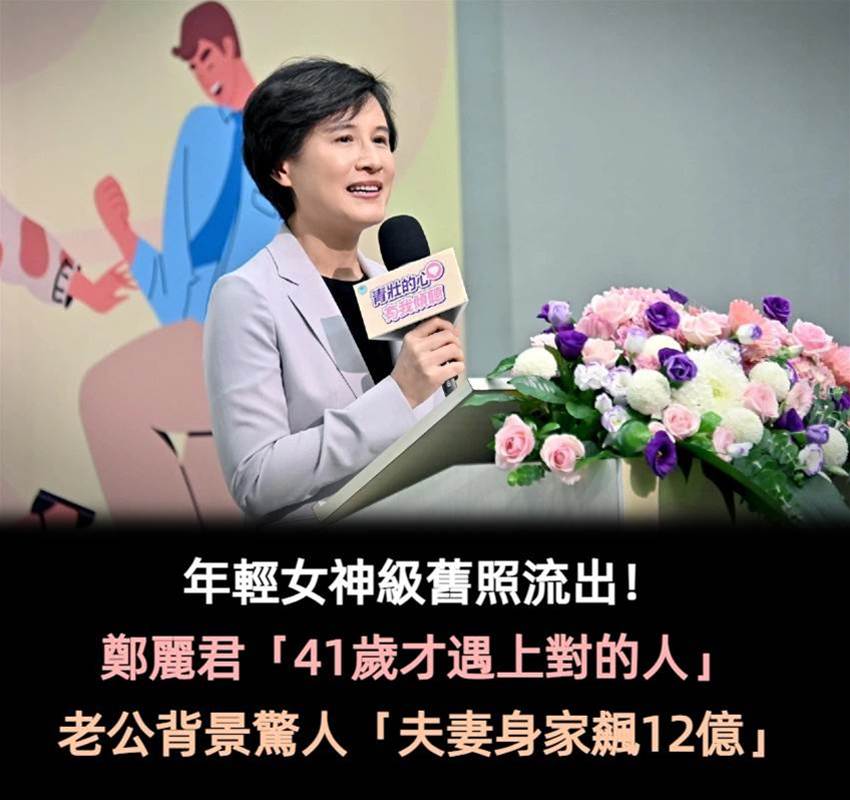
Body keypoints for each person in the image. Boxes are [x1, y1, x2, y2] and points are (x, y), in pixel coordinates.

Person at [204, 58, 465, 525]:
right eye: (345, 139)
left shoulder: (401, 286)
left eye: (380, 140)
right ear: (283, 167)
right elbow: (256, 479)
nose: (373, 160)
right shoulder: (247, 295)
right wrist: (400, 392)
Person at [80, 2, 280, 522]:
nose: (202, 74)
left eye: (206, 58)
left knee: (104, 395)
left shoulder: (288, 132)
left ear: (230, 47)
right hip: (203, 342)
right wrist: (122, 233)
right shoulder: (199, 133)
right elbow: (174, 292)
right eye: (192, 65)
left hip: (267, 346)